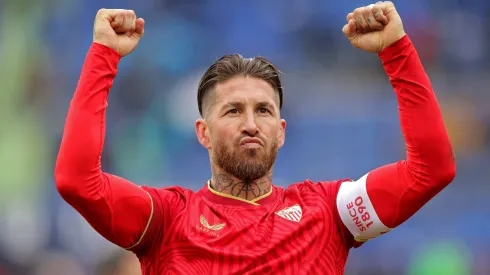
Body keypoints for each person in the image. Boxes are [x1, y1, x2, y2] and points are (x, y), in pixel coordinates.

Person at [54, 2, 456, 274]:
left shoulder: (330, 214)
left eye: (263, 110)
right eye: (233, 110)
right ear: (203, 133)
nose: (251, 123)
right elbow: (77, 181)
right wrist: (104, 55)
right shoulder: (165, 221)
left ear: (281, 132)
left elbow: (431, 171)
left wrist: (397, 52)